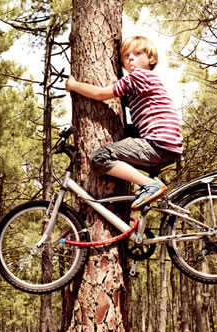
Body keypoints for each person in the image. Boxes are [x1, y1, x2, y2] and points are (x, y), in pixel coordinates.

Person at [65, 36, 183, 210]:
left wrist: (73, 85)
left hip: (157, 144)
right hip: (168, 147)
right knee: (127, 132)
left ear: (151, 59)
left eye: (137, 53)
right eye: (126, 56)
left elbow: (100, 94)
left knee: (99, 157)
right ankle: (147, 188)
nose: (131, 58)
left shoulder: (138, 77)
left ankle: (149, 184)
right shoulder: (148, 81)